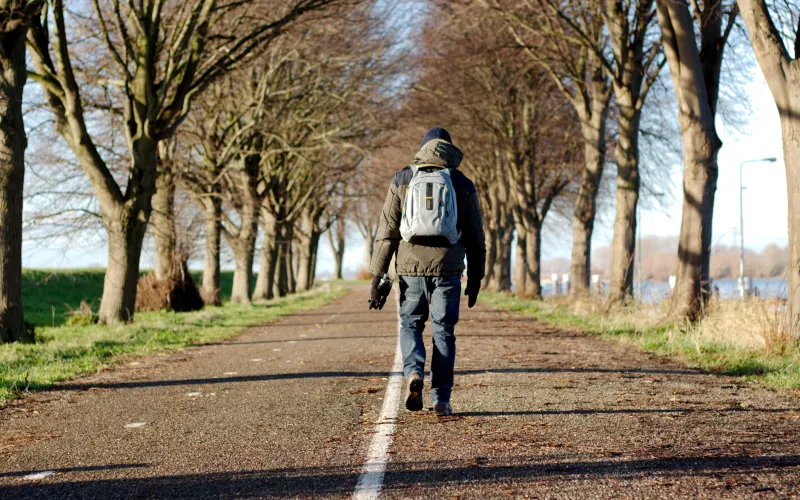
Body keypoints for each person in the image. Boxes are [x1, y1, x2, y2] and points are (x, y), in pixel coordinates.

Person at [368, 127, 486, 417]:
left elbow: (387, 231)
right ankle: (441, 399)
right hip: (448, 267)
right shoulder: (461, 182)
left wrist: (377, 275)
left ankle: (413, 373)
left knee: (411, 325)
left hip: (410, 267)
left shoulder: (403, 178)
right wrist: (477, 277)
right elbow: (475, 235)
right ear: (449, 149)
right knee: (444, 332)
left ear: (422, 149)